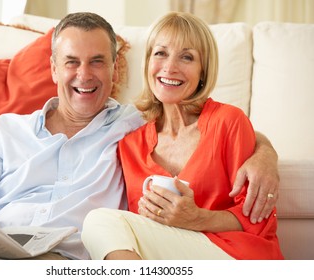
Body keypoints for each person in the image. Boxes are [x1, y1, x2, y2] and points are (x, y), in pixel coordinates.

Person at [0, 12, 278, 260]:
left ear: (114, 68)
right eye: (71, 62)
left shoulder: (130, 126)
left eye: (97, 61)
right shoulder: (5, 131)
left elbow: (211, 125)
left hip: (64, 262)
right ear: (53, 68)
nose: (84, 75)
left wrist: (264, 153)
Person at [81, 12, 284, 260]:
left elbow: (257, 219)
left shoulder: (228, 122)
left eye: (186, 57)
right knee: (101, 226)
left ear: (203, 71)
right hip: (174, 259)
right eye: (161, 53)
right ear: (147, 63)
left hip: (237, 255)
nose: (170, 67)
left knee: (99, 221)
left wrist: (197, 218)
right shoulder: (130, 144)